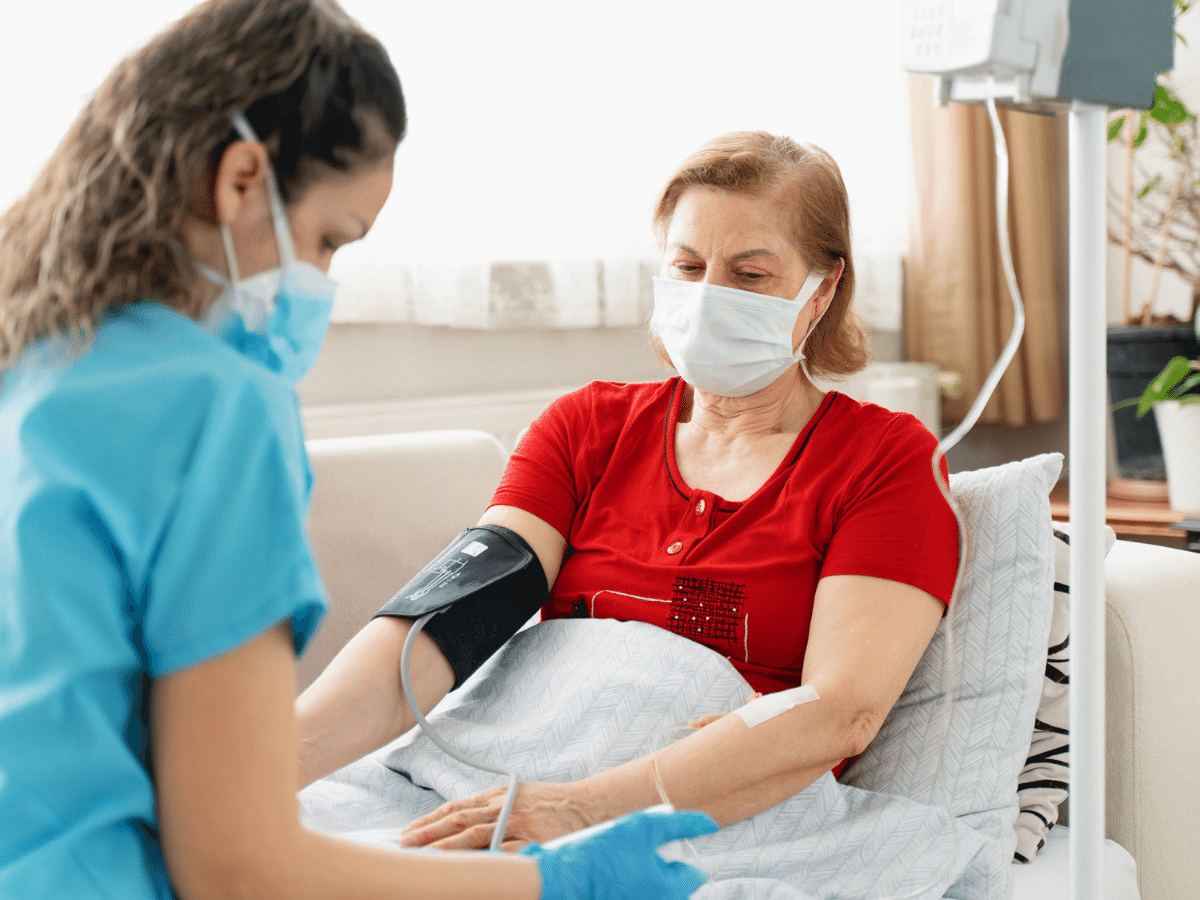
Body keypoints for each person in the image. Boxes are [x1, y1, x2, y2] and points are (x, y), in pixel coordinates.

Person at [0, 2, 715, 898]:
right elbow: (238, 865)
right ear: (239, 179)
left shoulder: (30, 357)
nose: (323, 281)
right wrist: (553, 885)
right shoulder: (217, 407)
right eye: (328, 238)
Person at [294, 131, 961, 850]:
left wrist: (581, 811)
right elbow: (451, 619)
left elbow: (841, 711)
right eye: (688, 265)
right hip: (501, 774)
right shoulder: (586, 427)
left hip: (694, 813)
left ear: (822, 288)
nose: (709, 298)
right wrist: (261, 767)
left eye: (750, 274)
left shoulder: (884, 460)